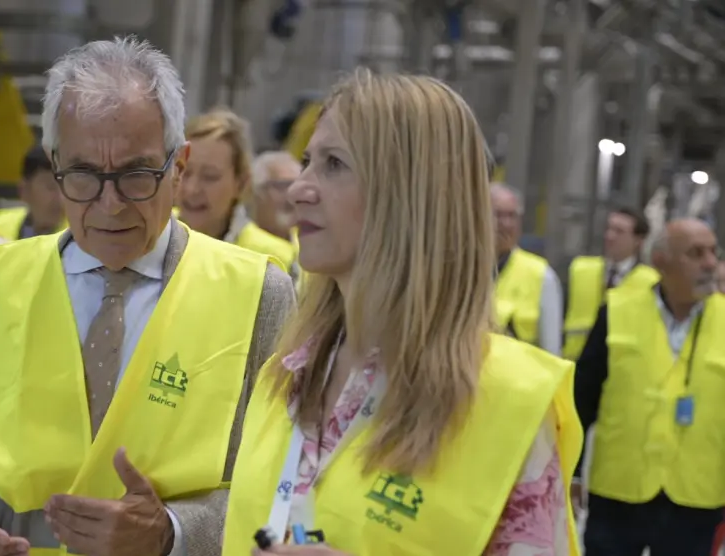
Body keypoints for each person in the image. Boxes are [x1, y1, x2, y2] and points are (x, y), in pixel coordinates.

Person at [0, 37, 296, 556]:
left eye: (136, 175)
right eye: (83, 175)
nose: (110, 204)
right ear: (54, 165)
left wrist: (172, 531)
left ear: (178, 166)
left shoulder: (258, 295)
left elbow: (281, 485)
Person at [222, 69, 582, 556]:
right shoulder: (285, 377)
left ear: (408, 195)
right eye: (308, 161)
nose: (299, 189)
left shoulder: (504, 403)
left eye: (334, 164)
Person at [574, 218, 724, 556]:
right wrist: (572, 472)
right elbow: (581, 400)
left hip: (696, 496)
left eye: (714, 252)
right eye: (696, 253)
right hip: (619, 490)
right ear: (661, 260)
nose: (711, 263)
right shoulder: (616, 311)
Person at [176, 108, 298, 277]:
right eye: (184, 172)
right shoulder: (152, 235)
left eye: (210, 177)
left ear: (241, 183)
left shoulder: (275, 260)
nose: (192, 188)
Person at [562, 207, 660, 360]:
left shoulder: (650, 281)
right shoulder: (580, 269)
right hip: (575, 364)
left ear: (638, 241)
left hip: (620, 368)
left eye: (619, 231)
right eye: (609, 229)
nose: (610, 236)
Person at [491, 183, 564, 355]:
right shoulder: (461, 272)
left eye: (512, 216)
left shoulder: (541, 275)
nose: (506, 224)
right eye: (498, 215)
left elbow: (551, 353)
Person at [0, 145, 69, 240]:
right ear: (24, 190)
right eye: (51, 187)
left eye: (66, 187)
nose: (61, 197)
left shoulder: (75, 238)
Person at [250, 151, 301, 243]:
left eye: (297, 186)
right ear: (257, 192)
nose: (291, 195)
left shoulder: (312, 243)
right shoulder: (239, 244)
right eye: (281, 186)